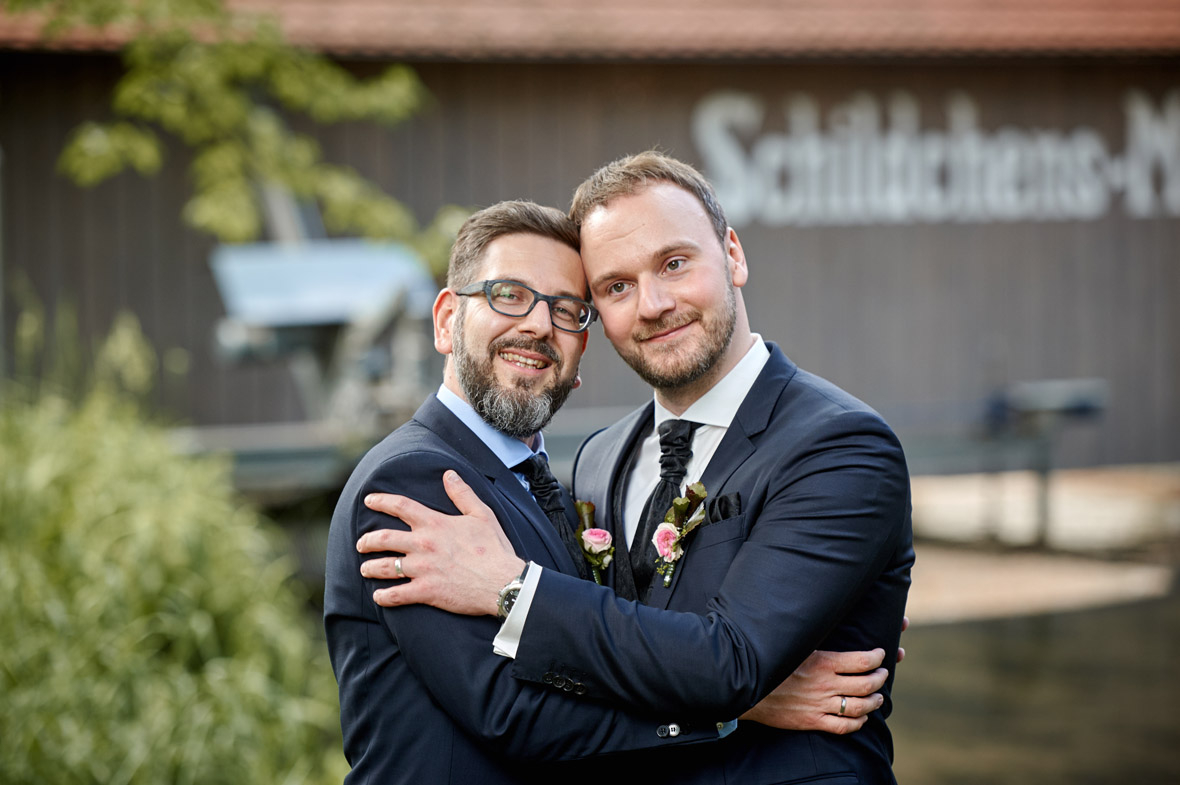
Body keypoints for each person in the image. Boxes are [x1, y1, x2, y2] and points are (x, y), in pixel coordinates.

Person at [359, 153, 914, 784]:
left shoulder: (841, 446)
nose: (652, 304)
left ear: (732, 254)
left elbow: (731, 662)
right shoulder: (597, 461)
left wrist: (511, 589)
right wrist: (741, 706)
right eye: (616, 287)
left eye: (674, 264)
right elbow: (581, 665)